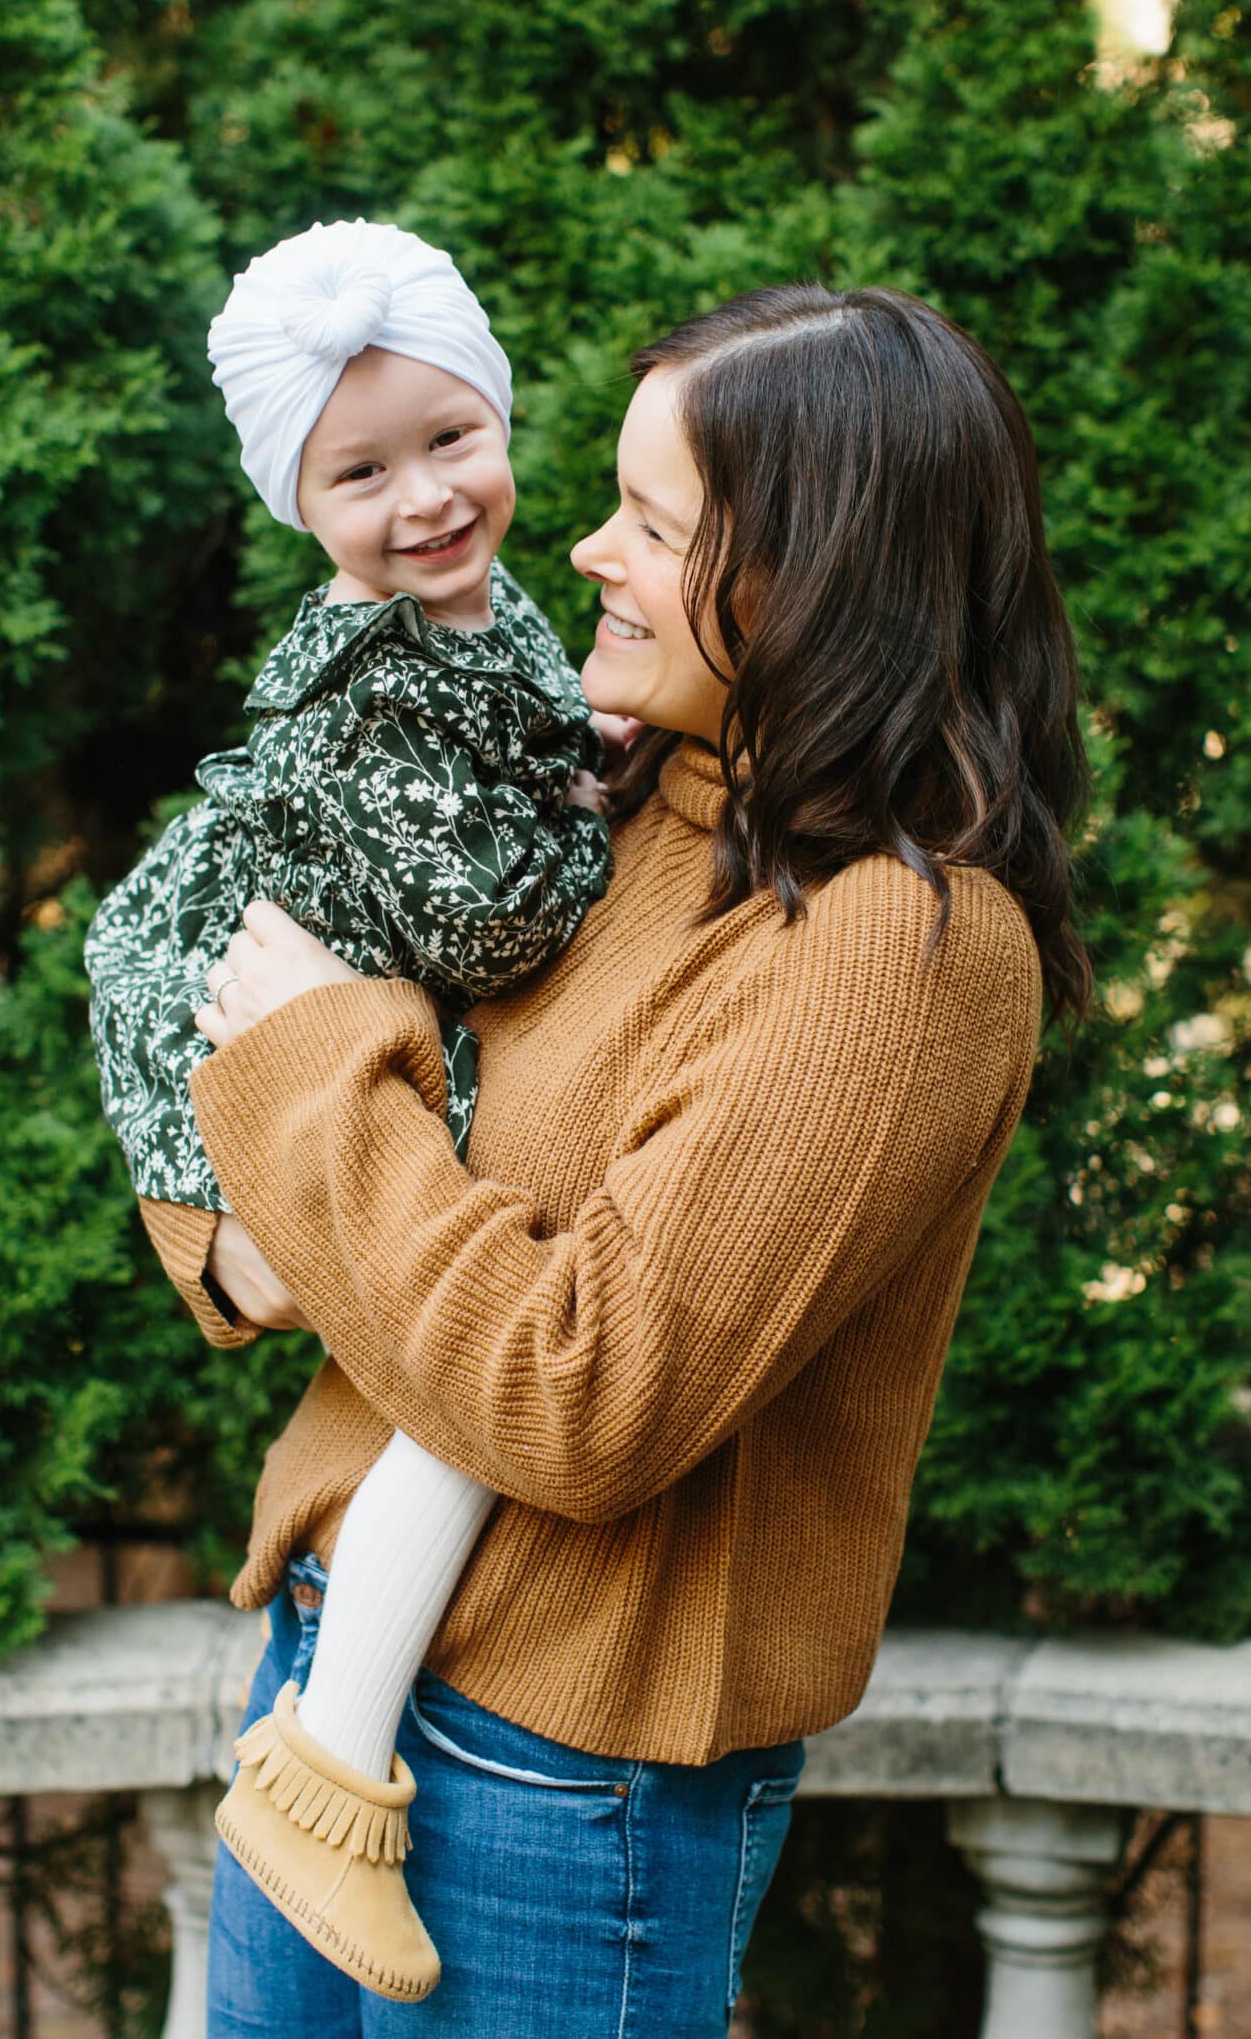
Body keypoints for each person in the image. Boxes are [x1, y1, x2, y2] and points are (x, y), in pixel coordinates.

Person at [160, 283, 1092, 2037]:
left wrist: (308, 1110)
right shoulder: (599, 803)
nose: (584, 548)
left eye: (656, 527)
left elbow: (577, 1393)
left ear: (816, 584)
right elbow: (264, 1000)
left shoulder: (897, 948)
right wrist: (225, 1233)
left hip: (558, 1768)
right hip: (322, 1656)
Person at [83, 219, 613, 1998]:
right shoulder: (363, 672)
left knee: (471, 1326)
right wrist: (609, 817)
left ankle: (327, 1750)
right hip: (231, 994)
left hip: (335, 1004)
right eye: (362, 474)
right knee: (475, 1327)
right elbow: (496, 916)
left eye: (453, 439)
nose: (428, 498)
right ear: (299, 507)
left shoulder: (494, 614)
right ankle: (329, 1766)